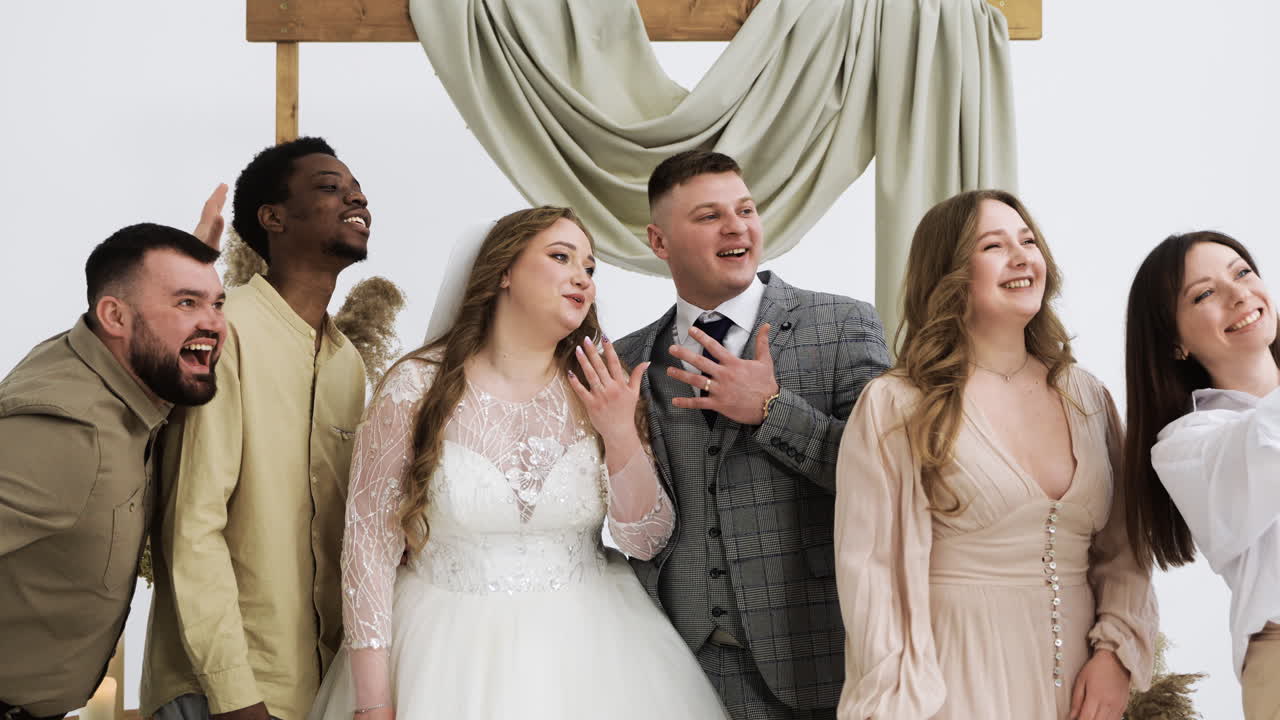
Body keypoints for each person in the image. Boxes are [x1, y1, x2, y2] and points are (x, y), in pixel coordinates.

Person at [307, 205, 729, 719]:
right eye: (561, 257)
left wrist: (619, 431)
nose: (583, 278)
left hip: (596, 657)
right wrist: (372, 702)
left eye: (591, 268)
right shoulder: (416, 387)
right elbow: (368, 546)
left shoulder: (601, 386)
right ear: (504, 271)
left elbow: (646, 539)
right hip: (442, 656)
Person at [834, 190, 1157, 720]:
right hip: (952, 678)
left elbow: (1126, 548)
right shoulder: (897, 403)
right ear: (950, 273)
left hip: (1081, 685)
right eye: (993, 245)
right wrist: (897, 699)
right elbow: (870, 572)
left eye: (1028, 241)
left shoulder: (1088, 395)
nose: (1022, 256)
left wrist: (1116, 656)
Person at [614, 150, 891, 719]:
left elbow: (893, 480)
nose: (737, 226)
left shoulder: (843, 325)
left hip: (815, 658)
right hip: (675, 666)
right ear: (659, 242)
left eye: (745, 209)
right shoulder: (628, 359)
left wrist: (770, 408)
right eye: (709, 215)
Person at [142, 137, 369, 720]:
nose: (357, 197)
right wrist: (235, 694)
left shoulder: (347, 363)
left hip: (315, 689)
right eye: (329, 187)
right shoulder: (225, 333)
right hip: (222, 693)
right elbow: (193, 526)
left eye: (356, 187)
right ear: (272, 217)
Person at [0, 223, 224, 719]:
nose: (213, 323)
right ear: (115, 317)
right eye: (187, 303)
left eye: (217, 304)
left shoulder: (108, 360)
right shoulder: (69, 432)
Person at [1122, 231, 1280, 719]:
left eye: (1242, 272)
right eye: (1205, 294)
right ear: (1175, 342)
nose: (1239, 295)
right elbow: (1266, 452)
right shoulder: (1188, 444)